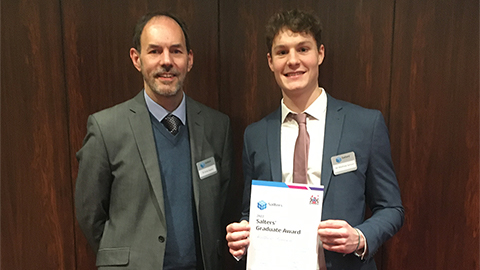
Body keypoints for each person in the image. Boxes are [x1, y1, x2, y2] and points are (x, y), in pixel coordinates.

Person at [226, 9, 404, 270]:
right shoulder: (255, 134)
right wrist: (241, 235)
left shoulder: (365, 125)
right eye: (282, 52)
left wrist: (360, 237)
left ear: (320, 53)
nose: (293, 60)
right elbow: (250, 212)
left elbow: (392, 208)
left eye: (303, 49)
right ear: (270, 61)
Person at [75, 11, 233, 270]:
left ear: (189, 59)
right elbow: (90, 213)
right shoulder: (106, 128)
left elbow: (222, 205)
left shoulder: (217, 126)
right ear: (136, 59)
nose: (166, 61)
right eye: (155, 51)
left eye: (176, 51)